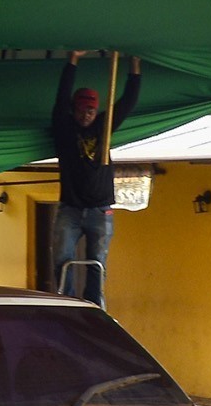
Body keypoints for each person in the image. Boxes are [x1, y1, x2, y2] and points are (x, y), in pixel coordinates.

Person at [47, 53, 142, 303]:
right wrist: (72, 60)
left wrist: (134, 65)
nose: (86, 114)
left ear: (96, 110)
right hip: (71, 208)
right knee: (62, 259)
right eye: (81, 109)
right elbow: (61, 96)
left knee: (97, 264)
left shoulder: (104, 126)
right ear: (74, 110)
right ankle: (66, 303)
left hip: (101, 209)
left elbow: (128, 102)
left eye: (90, 110)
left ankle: (95, 307)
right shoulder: (64, 128)